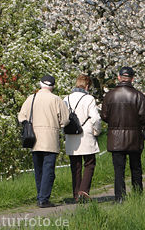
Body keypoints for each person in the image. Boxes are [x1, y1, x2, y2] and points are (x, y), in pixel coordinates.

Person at [100, 66, 145, 202]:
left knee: (118, 170)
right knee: (136, 168)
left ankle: (119, 197)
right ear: (132, 79)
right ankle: (137, 195)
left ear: (119, 77)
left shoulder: (109, 95)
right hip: (134, 138)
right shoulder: (138, 95)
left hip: (115, 139)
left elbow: (104, 115)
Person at [18, 75, 69, 208]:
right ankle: (43, 198)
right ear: (52, 86)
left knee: (38, 169)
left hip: (34, 138)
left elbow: (21, 116)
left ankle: (40, 195)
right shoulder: (56, 99)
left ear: (40, 84)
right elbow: (65, 120)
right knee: (48, 169)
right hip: (50, 138)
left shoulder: (32, 98)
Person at [64, 74, 102, 202]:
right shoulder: (89, 98)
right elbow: (96, 117)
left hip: (70, 134)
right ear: (87, 86)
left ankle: (76, 194)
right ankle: (83, 191)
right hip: (85, 133)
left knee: (75, 165)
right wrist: (96, 130)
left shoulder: (66, 98)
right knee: (89, 163)